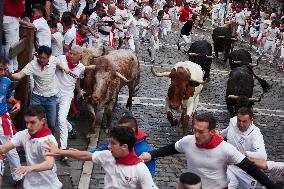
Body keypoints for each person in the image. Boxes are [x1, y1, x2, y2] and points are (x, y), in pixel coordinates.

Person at [139, 113, 280, 189]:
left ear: (212, 132)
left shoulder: (226, 149)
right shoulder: (188, 141)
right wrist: (151, 154)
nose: (196, 135)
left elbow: (251, 169)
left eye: (201, 132)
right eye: (195, 130)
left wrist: (271, 187)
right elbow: (172, 148)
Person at [45, 126, 159, 188]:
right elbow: (85, 155)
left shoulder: (140, 169)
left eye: (113, 143)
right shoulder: (108, 156)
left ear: (124, 147)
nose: (109, 147)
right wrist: (59, 151)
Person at [8, 46, 68, 135]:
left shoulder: (54, 60)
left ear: (49, 57)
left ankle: (51, 141)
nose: (42, 60)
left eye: (44, 58)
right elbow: (19, 75)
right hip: (37, 97)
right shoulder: (32, 65)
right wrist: (9, 74)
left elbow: (60, 64)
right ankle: (32, 139)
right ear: (37, 56)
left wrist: (65, 68)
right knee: (31, 120)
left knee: (51, 123)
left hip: (51, 98)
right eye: (40, 57)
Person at [0, 105, 62, 189]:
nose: (28, 126)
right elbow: (3, 148)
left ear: (42, 121)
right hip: (29, 185)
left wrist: (30, 168)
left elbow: (49, 164)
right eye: (26, 122)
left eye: (32, 122)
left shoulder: (48, 140)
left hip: (48, 185)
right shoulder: (24, 134)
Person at [88, 115, 156, 176]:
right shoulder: (118, 140)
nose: (109, 146)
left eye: (121, 132)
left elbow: (149, 176)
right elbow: (99, 150)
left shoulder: (145, 151)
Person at [220, 107, 267, 189]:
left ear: (251, 120)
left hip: (246, 170)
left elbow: (263, 156)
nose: (241, 124)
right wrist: (218, 134)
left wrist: (245, 153)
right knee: (228, 185)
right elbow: (227, 131)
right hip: (230, 165)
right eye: (239, 120)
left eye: (244, 121)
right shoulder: (233, 121)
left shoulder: (256, 134)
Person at [0, 56, 23, 186]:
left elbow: (8, 96)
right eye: (0, 69)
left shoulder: (6, 81)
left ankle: (18, 176)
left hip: (2, 119)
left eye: (4, 69)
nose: (2, 72)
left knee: (10, 148)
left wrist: (16, 102)